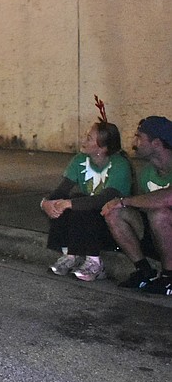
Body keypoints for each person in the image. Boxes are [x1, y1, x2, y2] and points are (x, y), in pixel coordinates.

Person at [42, 118, 131, 281]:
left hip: (111, 223)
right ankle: (70, 255)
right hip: (84, 222)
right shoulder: (79, 160)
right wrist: (46, 203)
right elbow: (61, 189)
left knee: (82, 204)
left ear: (103, 147)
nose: (83, 140)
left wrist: (70, 204)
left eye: (89, 138)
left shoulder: (120, 164)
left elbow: (104, 198)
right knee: (67, 201)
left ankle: (95, 262)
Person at [102, 116, 172, 293]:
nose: (134, 142)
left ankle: (169, 277)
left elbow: (167, 198)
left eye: (139, 137)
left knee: (159, 214)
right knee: (115, 213)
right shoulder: (147, 172)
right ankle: (144, 271)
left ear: (156, 143)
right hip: (160, 235)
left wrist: (124, 200)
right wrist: (118, 205)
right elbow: (142, 205)